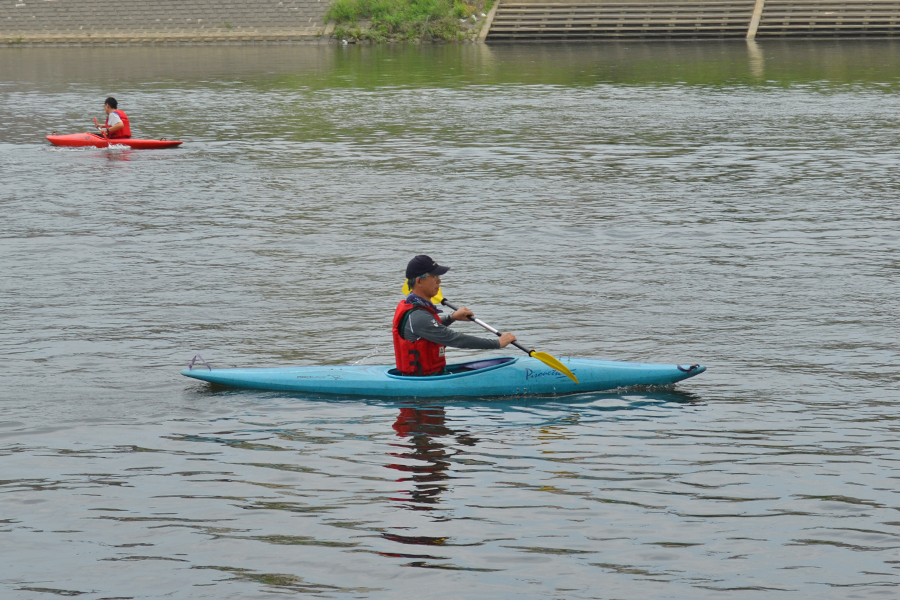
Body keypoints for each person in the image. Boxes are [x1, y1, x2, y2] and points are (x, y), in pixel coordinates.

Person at [392, 255, 517, 376]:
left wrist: (451, 317)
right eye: (434, 276)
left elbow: (430, 327)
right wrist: (497, 343)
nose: (439, 280)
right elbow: (455, 339)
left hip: (433, 374)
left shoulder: (417, 308)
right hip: (425, 381)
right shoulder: (418, 315)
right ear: (419, 281)